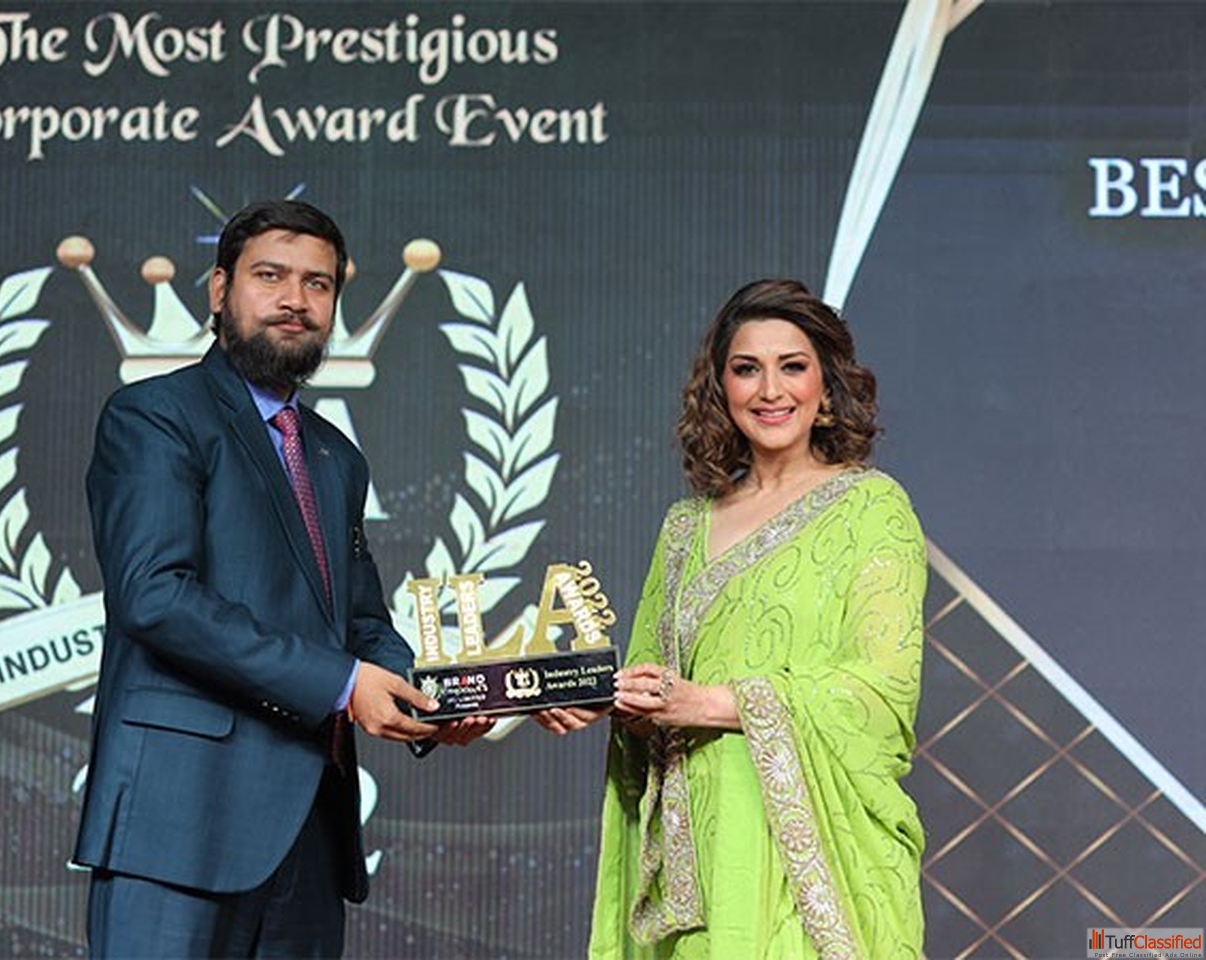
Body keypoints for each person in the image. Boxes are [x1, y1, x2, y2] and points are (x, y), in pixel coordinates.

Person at [74, 199, 491, 958]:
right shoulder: (154, 416)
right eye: (270, 276)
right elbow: (155, 596)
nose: (295, 300)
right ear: (219, 289)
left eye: (317, 284)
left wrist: (436, 700)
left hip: (309, 833)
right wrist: (344, 685)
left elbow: (360, 623)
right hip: (177, 825)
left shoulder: (335, 455)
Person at [538, 279, 927, 958]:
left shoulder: (872, 508)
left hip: (812, 868)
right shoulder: (684, 527)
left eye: (792, 367)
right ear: (721, 389)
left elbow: (882, 695)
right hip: (702, 865)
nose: (770, 390)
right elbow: (657, 686)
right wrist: (610, 701)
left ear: (827, 388)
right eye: (747, 369)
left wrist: (712, 703)